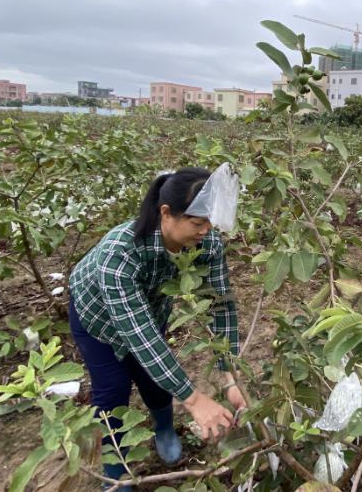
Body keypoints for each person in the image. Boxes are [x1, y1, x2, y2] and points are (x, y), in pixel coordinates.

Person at [69, 168, 244, 488]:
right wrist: (194, 400)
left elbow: (221, 306)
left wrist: (229, 375)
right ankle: (115, 473)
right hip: (96, 319)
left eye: (209, 223)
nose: (206, 231)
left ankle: (163, 428)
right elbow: (142, 337)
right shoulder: (119, 253)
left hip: (149, 311)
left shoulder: (207, 245)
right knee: (112, 393)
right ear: (166, 213)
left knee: (155, 381)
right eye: (197, 223)